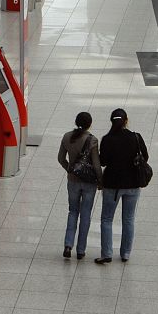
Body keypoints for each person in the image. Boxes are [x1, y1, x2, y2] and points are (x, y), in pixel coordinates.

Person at [95, 108, 148, 264]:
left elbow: (103, 161)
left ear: (112, 121)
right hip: (133, 184)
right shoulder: (136, 137)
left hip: (112, 185)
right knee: (129, 219)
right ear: (126, 121)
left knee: (106, 219)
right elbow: (145, 156)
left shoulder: (107, 139)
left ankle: (107, 254)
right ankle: (125, 253)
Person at [57, 112, 102, 260]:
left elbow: (61, 158)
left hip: (73, 180)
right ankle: (81, 250)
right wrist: (100, 181)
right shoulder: (92, 140)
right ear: (90, 123)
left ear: (76, 122)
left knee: (73, 211)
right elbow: (96, 164)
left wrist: (70, 169)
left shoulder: (67, 137)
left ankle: (68, 244)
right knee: (86, 214)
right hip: (89, 182)